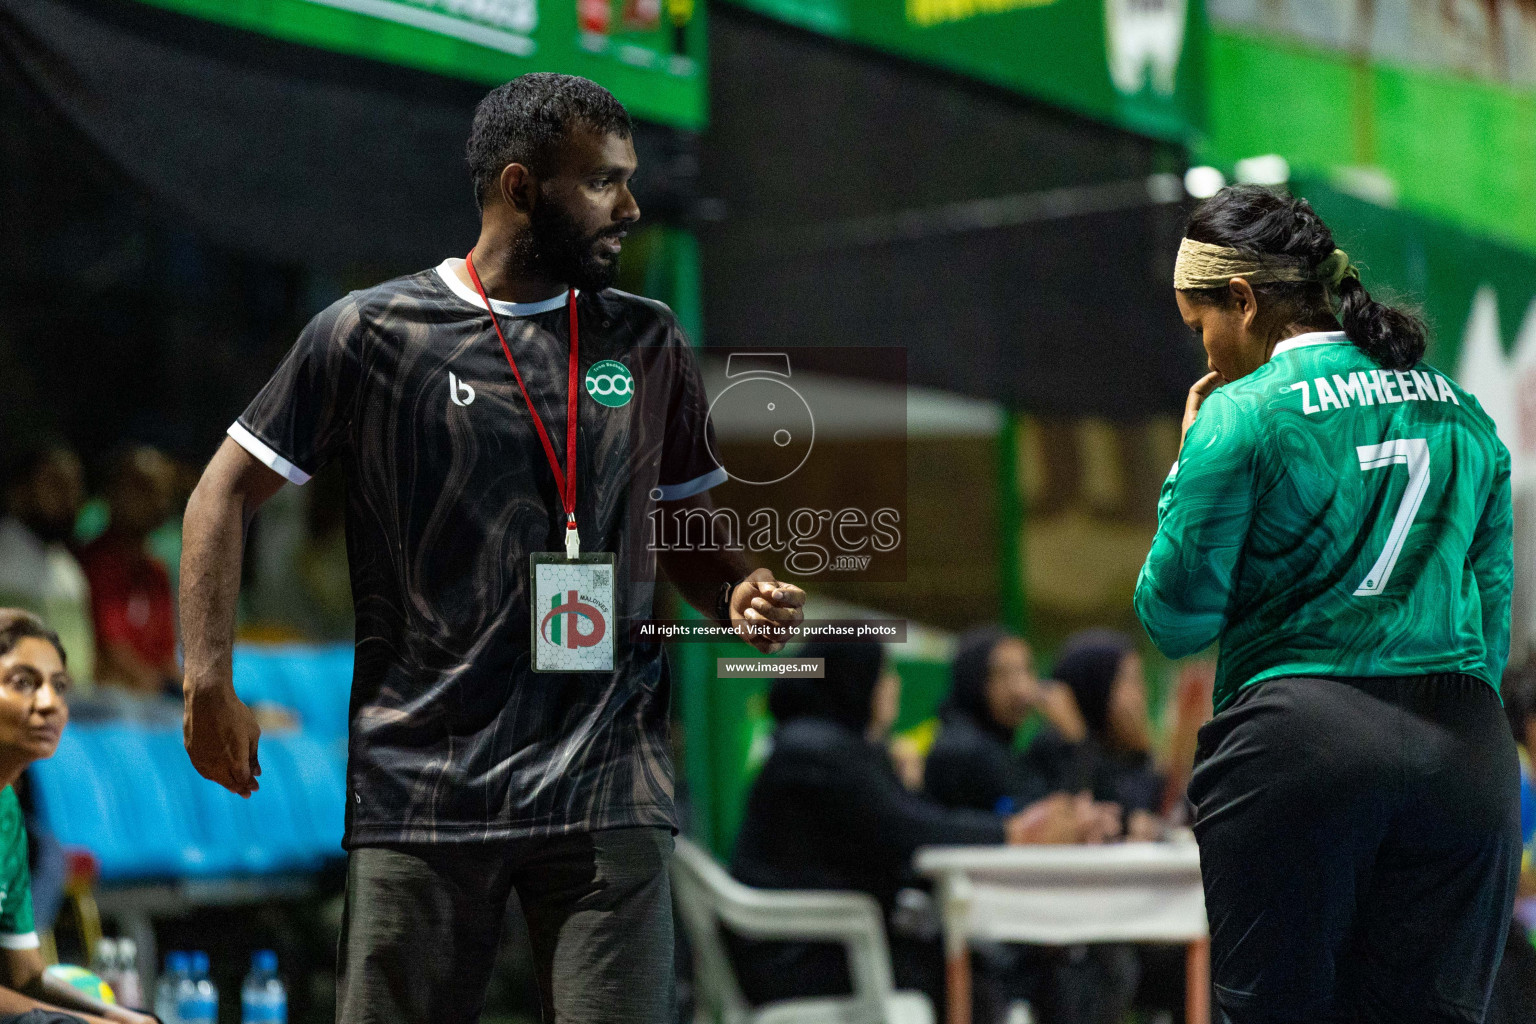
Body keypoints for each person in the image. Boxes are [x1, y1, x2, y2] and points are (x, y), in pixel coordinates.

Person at [177, 73, 804, 1024]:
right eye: (602, 183)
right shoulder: (371, 332)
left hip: (606, 779)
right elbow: (221, 493)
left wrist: (742, 592)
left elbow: (691, 535)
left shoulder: (646, 339)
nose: (630, 207)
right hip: (423, 781)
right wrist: (207, 680)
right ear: (519, 188)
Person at [1136, 184, 1517, 1024]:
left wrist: (1184, 465)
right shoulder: (1465, 415)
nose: (1204, 353)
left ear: (1241, 300)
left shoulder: (1240, 416)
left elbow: (1177, 617)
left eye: (1201, 327)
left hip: (1298, 750)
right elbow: (1488, 625)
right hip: (1466, 756)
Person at [729, 640, 1113, 1017]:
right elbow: (910, 830)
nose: (893, 685)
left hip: (812, 944)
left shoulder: (818, 742)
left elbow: (904, 823)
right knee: (975, 981)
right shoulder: (820, 750)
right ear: (854, 679)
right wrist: (1015, 833)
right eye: (884, 674)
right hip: (799, 957)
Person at [0, 609, 155, 1024]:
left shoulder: (9, 816)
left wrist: (121, 1016)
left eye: (59, 686)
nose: (50, 703)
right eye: (22, 683)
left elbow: (27, 975)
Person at [923, 625, 1089, 815]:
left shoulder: (997, 743)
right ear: (973, 679)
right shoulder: (964, 750)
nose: (1021, 689)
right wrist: (1074, 740)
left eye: (1026, 670)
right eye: (1003, 674)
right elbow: (1044, 821)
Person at [78, 448, 180, 697]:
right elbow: (111, 654)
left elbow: (166, 658)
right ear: (112, 492)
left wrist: (202, 701)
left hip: (155, 702)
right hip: (109, 704)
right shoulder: (91, 563)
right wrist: (175, 699)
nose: (158, 502)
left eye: (164, 492)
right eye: (143, 488)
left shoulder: (157, 572)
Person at [1050, 629, 1164, 840]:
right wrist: (1077, 742)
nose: (1141, 694)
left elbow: (1146, 806)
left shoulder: (1121, 748)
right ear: (1097, 685)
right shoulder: (1054, 746)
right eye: (1130, 682)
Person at [0, 447, 93, 688]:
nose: (69, 497)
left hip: (78, 703)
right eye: (55, 485)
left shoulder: (68, 568)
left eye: (75, 487)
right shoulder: (5, 559)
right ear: (18, 492)